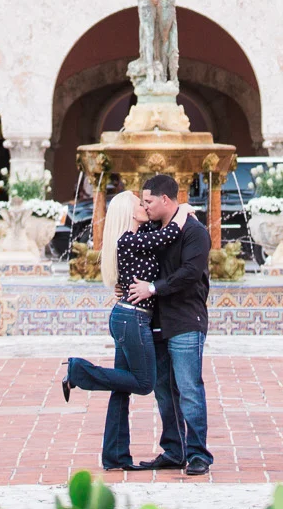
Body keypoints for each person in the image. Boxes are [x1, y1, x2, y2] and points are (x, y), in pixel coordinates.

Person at [60, 190, 189, 471]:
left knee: (121, 388)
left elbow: (158, 237)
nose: (144, 206)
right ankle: (78, 371)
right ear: (129, 213)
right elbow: (166, 237)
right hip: (132, 320)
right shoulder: (130, 239)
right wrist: (182, 211)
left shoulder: (136, 238)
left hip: (128, 317)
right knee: (143, 384)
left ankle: (115, 456)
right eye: (139, 204)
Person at [127, 172, 212, 475]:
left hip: (186, 319)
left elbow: (190, 272)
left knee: (189, 388)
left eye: (148, 201)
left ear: (165, 199)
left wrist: (153, 288)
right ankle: (174, 451)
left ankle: (199, 453)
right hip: (156, 321)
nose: (145, 206)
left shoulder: (194, 231)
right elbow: (135, 259)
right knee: (164, 389)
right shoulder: (154, 230)